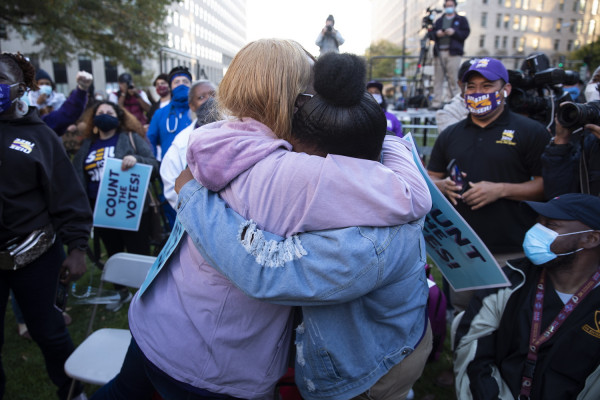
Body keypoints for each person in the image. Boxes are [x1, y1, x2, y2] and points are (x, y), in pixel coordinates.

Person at [91, 40, 431, 400]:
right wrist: (389, 142)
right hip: (213, 359)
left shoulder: (217, 138)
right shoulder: (288, 174)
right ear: (297, 98)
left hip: (158, 319)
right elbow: (409, 194)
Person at [0, 52, 92, 400]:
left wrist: (78, 248)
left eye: (0, 80)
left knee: (51, 333)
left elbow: (68, 197)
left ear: (21, 87)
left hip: (35, 256)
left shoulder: (41, 135)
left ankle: (72, 393)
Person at [427, 57, 550, 311]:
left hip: (510, 251)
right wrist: (441, 186)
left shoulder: (531, 131)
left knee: (505, 322)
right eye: (471, 87)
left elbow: (546, 186)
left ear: (505, 90)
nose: (478, 93)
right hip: (461, 250)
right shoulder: (451, 134)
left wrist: (501, 190)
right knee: (461, 316)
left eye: (487, 86)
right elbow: (431, 176)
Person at [454, 193, 600, 399]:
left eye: (550, 224)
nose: (535, 231)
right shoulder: (508, 282)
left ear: (591, 239)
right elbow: (474, 354)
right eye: (538, 222)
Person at [72, 101, 158, 311]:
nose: (104, 115)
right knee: (113, 253)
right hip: (102, 212)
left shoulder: (130, 138)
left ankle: (143, 294)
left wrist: (135, 159)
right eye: (100, 112)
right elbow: (76, 176)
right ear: (94, 120)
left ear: (118, 118)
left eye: (109, 112)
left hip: (132, 210)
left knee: (138, 252)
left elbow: (155, 166)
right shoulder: (87, 145)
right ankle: (121, 292)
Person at [160, 80, 217, 209]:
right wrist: (196, 212)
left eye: (213, 95)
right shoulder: (181, 142)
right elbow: (171, 185)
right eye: (201, 97)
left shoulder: (236, 128)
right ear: (192, 106)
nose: (210, 100)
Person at [427, 0, 470, 110]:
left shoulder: (461, 20)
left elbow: (465, 34)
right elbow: (430, 35)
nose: (449, 7)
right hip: (439, 52)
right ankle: (436, 102)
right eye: (447, 6)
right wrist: (437, 34)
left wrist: (454, 32)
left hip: (453, 53)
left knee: (453, 78)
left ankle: (453, 101)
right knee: (438, 79)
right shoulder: (439, 20)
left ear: (455, 6)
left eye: (451, 6)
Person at [146, 66, 193, 159]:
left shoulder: (199, 113)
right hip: (169, 169)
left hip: (195, 169)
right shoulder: (159, 114)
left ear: (191, 86)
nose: (181, 85)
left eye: (185, 81)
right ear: (170, 87)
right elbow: (150, 142)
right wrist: (154, 164)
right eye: (176, 82)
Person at [42, 70, 93, 136]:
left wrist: (81, 90)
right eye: (41, 84)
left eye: (47, 84)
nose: (44, 87)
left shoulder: (42, 119)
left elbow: (66, 113)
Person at [435, 58, 475, 133]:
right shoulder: (447, 111)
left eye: (485, 85)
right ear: (460, 83)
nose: (478, 90)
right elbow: (455, 140)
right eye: (471, 84)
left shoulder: (497, 107)